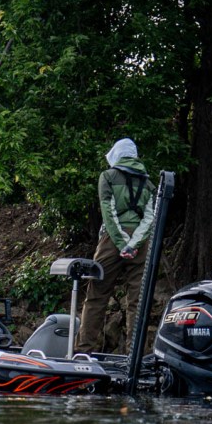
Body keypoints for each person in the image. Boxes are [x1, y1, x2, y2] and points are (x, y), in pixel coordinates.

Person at [77, 138, 156, 354]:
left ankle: (83, 351)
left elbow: (108, 212)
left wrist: (122, 244)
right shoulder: (149, 184)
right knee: (138, 300)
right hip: (141, 244)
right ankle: (135, 354)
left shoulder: (108, 177)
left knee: (97, 295)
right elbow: (150, 219)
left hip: (112, 241)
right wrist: (134, 243)